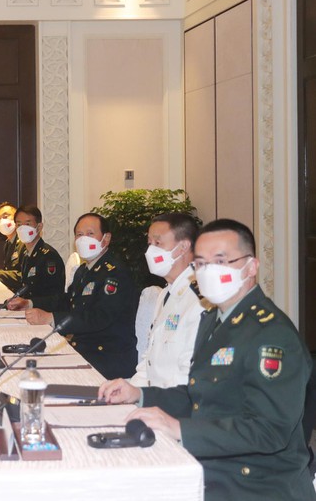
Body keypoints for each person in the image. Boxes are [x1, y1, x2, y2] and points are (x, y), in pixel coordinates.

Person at [99, 219, 315, 501]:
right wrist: (139, 394)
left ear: (251, 266)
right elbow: (199, 396)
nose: (209, 270)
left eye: (221, 261)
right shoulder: (214, 320)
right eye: (201, 263)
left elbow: (269, 430)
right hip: (210, 465)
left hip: (255, 484)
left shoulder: (271, 335)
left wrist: (179, 428)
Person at [25, 212, 138, 379]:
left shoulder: (114, 273)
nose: (84, 239)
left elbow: (99, 318)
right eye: (79, 234)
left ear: (106, 239)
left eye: (90, 234)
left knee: (44, 374)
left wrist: (51, 318)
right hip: (85, 348)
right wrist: (30, 303)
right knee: (31, 363)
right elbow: (67, 300)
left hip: (107, 357)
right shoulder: (84, 270)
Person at [129, 212, 206, 388]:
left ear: (183, 247)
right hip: (154, 395)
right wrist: (132, 390)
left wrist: (144, 397)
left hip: (175, 399)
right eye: (149, 243)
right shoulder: (165, 294)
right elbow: (150, 360)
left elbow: (189, 374)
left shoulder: (200, 299)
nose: (150, 251)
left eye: (158, 243)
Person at [5, 204, 65, 312]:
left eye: (28, 224)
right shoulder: (26, 253)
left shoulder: (49, 256)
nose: (22, 228)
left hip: (43, 314)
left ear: (39, 227)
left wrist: (28, 303)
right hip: (29, 310)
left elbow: (55, 298)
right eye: (19, 224)